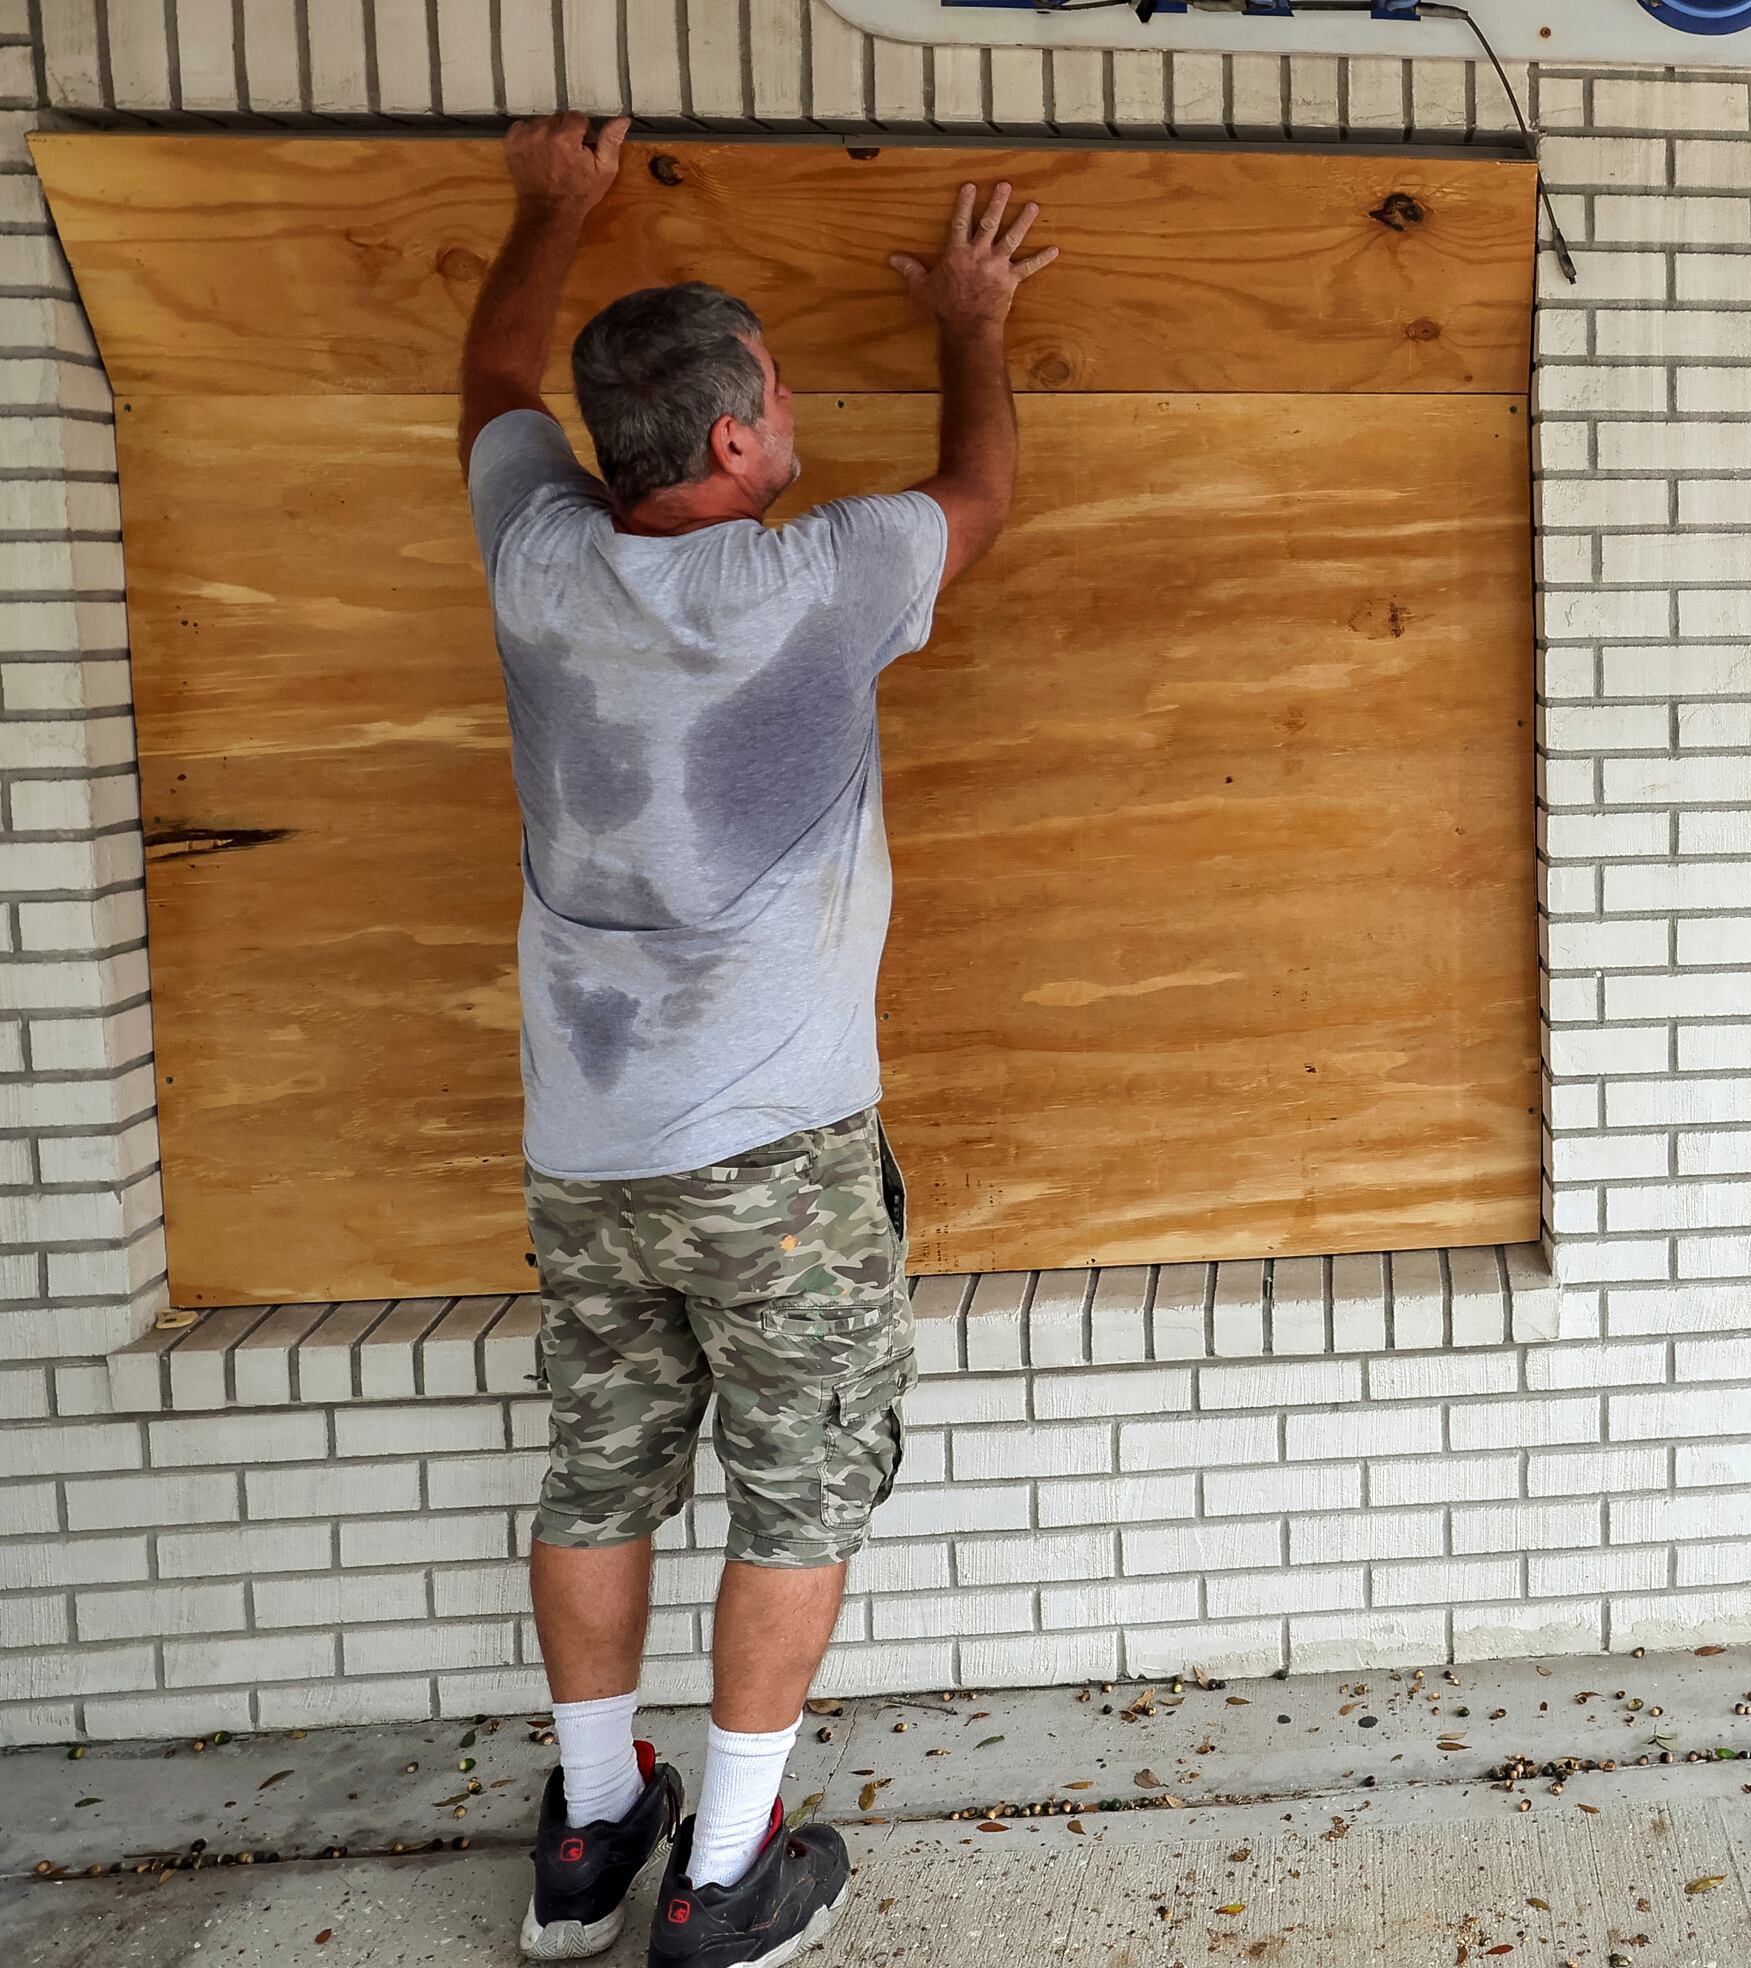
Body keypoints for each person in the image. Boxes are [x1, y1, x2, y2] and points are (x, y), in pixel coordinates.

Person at [456, 113, 1055, 1966]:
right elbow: (983, 489)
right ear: (734, 440)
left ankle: (588, 1835)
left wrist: (548, 212)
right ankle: (725, 1874)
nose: (794, 420)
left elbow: (490, 377)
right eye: (780, 397)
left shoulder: (535, 560)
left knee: (599, 1472)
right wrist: (972, 317)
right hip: (780, 1162)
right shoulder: (817, 576)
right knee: (796, 1493)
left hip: (589, 1148)